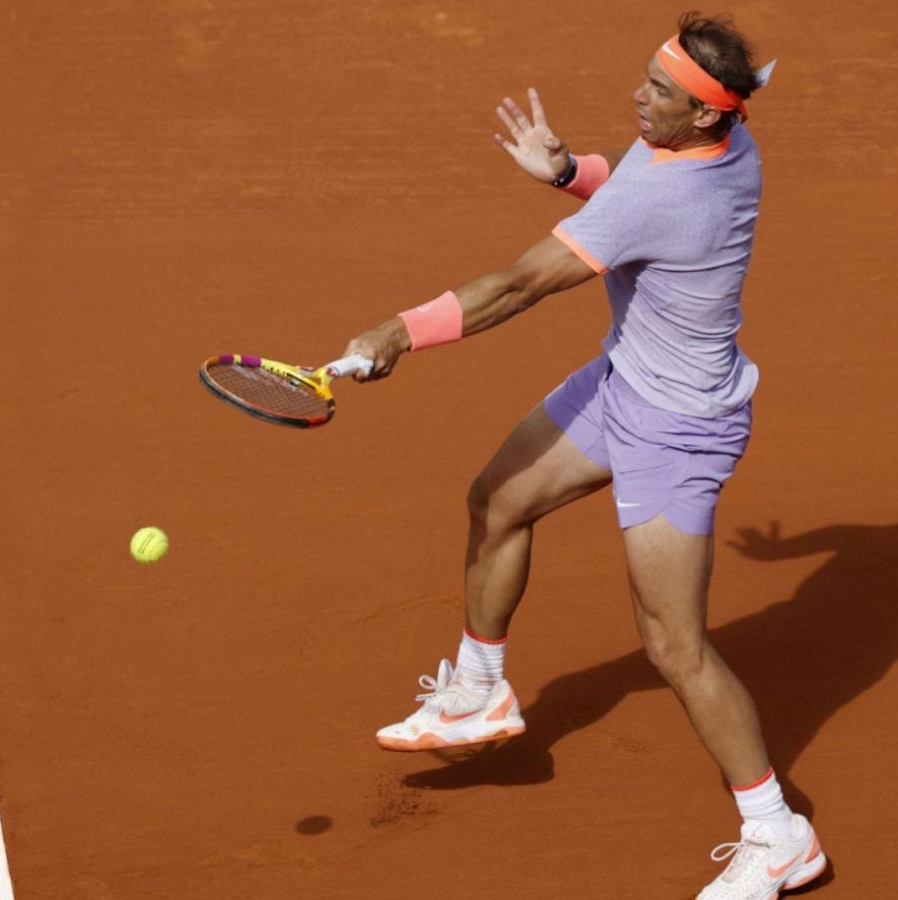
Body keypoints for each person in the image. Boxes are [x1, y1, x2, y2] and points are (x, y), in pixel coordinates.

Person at [342, 15, 824, 900]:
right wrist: (571, 174)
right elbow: (626, 181)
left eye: (658, 92)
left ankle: (778, 833)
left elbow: (521, 285)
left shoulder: (673, 195)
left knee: (673, 648)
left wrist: (397, 333)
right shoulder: (715, 144)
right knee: (497, 501)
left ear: (707, 115)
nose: (637, 98)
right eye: (644, 78)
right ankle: (481, 688)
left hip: (679, 433)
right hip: (623, 384)